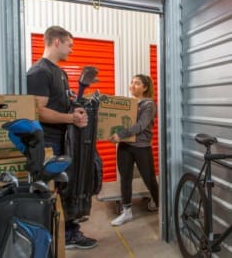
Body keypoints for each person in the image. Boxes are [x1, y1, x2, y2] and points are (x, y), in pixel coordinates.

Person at [26, 25, 98, 249]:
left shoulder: (60, 72)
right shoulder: (40, 72)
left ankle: (67, 232)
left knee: (67, 187)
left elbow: (63, 105)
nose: (71, 50)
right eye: (69, 44)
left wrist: (77, 110)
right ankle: (55, 237)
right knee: (51, 191)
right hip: (47, 143)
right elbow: (37, 111)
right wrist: (70, 119)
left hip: (64, 140)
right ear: (56, 42)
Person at [109, 74, 159, 226]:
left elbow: (140, 126)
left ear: (145, 87)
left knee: (149, 179)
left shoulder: (149, 105)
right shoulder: (128, 104)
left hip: (142, 148)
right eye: (132, 82)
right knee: (125, 178)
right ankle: (126, 212)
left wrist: (121, 134)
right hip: (125, 146)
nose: (132, 85)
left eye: (137, 83)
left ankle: (162, 207)